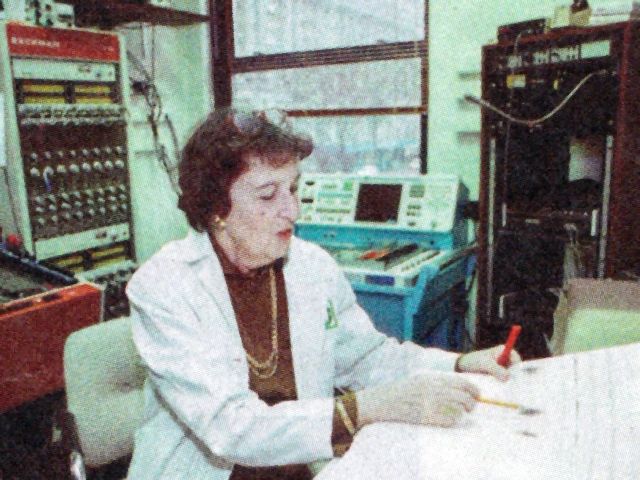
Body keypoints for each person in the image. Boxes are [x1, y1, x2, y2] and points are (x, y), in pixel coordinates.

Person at [126, 108, 521, 480]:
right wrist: (368, 407)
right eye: (268, 196)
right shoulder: (163, 287)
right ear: (216, 208)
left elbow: (368, 357)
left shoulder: (310, 265)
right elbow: (231, 428)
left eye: (294, 189)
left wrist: (460, 365)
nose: (292, 210)